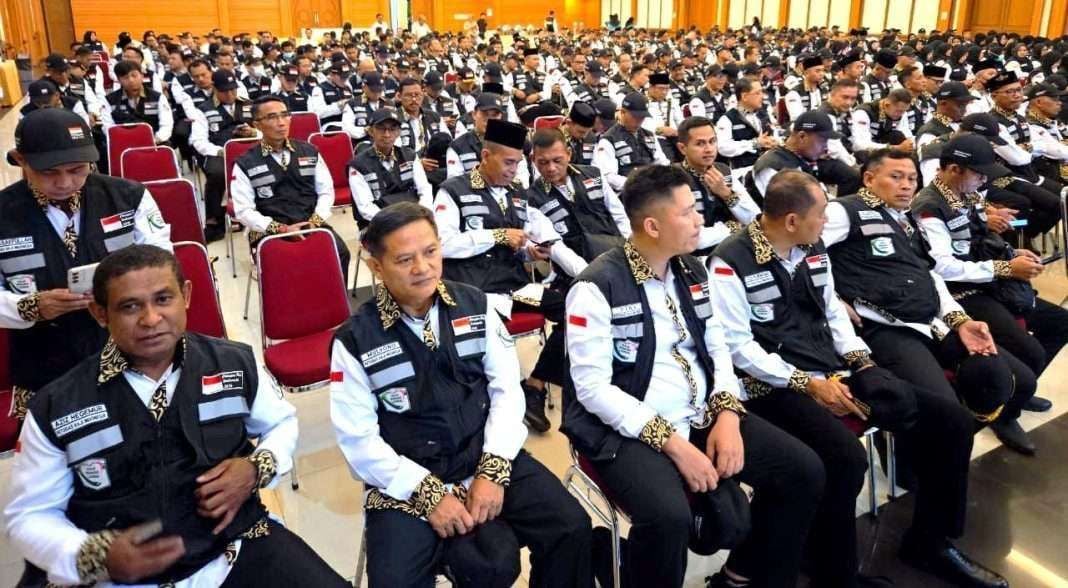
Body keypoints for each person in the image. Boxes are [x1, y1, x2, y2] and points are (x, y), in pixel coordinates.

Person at [709, 169, 1008, 588]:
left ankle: (929, 542)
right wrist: (807, 383)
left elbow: (832, 310)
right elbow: (738, 347)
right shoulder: (730, 261)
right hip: (773, 385)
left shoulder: (811, 246)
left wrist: (862, 361)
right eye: (820, 215)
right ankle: (836, 574)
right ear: (792, 220)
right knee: (844, 459)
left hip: (833, 368)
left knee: (951, 422)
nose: (826, 222)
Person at [4, 245, 348, 587]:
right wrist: (98, 555)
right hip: (118, 577)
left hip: (232, 548)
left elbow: (280, 423)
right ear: (100, 313)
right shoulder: (58, 405)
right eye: (130, 306)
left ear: (186, 295)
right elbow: (30, 515)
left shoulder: (233, 364)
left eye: (163, 299)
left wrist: (255, 467)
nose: (151, 319)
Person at [563, 164, 823, 588]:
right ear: (652, 226)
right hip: (629, 428)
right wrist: (674, 445)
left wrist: (728, 414)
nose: (700, 219)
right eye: (687, 212)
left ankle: (745, 576)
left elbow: (717, 350)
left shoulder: (691, 271)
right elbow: (593, 390)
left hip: (701, 411)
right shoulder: (596, 287)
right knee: (668, 517)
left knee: (803, 471)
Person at [330, 202, 592, 587]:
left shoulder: (475, 304)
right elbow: (357, 438)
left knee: (570, 526)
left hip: (481, 453)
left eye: (430, 252)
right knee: (393, 580)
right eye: (405, 259)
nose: (423, 268)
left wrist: (492, 468)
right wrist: (427, 493)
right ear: (376, 267)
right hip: (407, 475)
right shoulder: (355, 339)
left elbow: (507, 392)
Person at [0, 108, 172, 422]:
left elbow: (164, 264)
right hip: (43, 360)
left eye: (77, 169)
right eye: (49, 172)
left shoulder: (129, 197)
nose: (65, 182)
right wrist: (31, 306)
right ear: (20, 160)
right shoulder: (4, 214)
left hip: (131, 347)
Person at [913, 133, 1064, 454]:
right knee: (1030, 351)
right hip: (961, 292)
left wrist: (1011, 252)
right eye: (979, 174)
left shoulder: (967, 194)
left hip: (989, 279)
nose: (984, 180)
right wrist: (1005, 268)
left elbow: (977, 237)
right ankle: (1002, 412)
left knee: (1060, 323)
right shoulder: (928, 208)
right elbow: (942, 267)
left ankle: (1014, 392)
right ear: (953, 169)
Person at [434, 119, 588, 432]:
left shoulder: (516, 194)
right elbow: (443, 245)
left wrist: (529, 252)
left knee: (576, 310)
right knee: (488, 340)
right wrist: (498, 235)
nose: (513, 170)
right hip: (472, 291)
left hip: (513, 286)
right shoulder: (453, 191)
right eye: (507, 162)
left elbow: (544, 240)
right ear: (485, 156)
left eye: (517, 163)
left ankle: (535, 385)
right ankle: (493, 405)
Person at [230, 95, 351, 281]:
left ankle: (333, 298)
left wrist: (314, 221)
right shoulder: (245, 163)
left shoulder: (309, 151)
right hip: (269, 229)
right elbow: (243, 211)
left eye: (285, 115)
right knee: (285, 265)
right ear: (257, 124)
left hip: (310, 223)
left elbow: (326, 192)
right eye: (272, 117)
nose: (281, 122)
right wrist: (282, 229)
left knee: (340, 253)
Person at [675, 116, 759, 254]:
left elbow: (754, 218)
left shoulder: (723, 170)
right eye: (700, 144)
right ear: (683, 148)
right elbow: (692, 239)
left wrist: (727, 194)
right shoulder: (674, 178)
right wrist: (732, 228)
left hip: (731, 250)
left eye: (712, 141)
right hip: (694, 258)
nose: (709, 149)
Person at [190, 69, 256, 242]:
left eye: (233, 89)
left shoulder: (249, 104)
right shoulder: (203, 109)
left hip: (250, 151)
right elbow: (198, 141)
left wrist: (254, 132)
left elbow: (266, 130)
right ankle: (214, 223)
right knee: (218, 174)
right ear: (215, 88)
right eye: (225, 91)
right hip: (219, 153)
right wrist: (220, 151)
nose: (230, 94)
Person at [349, 107, 434, 229]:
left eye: (392, 129)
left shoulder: (410, 156)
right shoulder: (358, 165)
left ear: (398, 132)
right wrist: (395, 223)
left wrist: (421, 215)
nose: (387, 134)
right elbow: (365, 208)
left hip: (412, 217)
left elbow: (424, 189)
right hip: (377, 223)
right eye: (381, 128)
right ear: (371, 131)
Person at [750, 111, 861, 199]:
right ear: (802, 136)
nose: (826, 147)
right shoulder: (773, 167)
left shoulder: (801, 159)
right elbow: (793, 210)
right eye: (822, 140)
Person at [593, 92, 670, 192]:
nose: (639, 121)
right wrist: (636, 185)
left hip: (653, 188)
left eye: (642, 117)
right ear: (623, 112)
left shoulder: (649, 135)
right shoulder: (609, 139)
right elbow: (608, 176)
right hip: (628, 191)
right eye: (635, 117)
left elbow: (662, 162)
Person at [715, 78, 780, 185]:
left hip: (767, 166)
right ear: (744, 96)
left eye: (762, 92)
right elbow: (723, 148)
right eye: (757, 93)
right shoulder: (727, 119)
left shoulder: (763, 113)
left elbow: (774, 132)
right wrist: (754, 143)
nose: (762, 96)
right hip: (743, 172)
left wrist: (774, 141)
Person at [101, 60, 174, 145]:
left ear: (142, 76)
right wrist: (125, 141)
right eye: (125, 77)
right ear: (119, 80)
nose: (131, 80)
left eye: (134, 75)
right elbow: (108, 127)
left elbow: (166, 124)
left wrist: (154, 140)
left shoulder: (158, 97)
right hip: (124, 144)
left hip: (154, 143)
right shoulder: (110, 100)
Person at [19, 79, 91, 125]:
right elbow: (23, 135)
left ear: (57, 95)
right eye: (38, 102)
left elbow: (84, 128)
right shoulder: (25, 112)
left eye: (47, 101)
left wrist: (62, 114)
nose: (43, 105)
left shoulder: (73, 104)